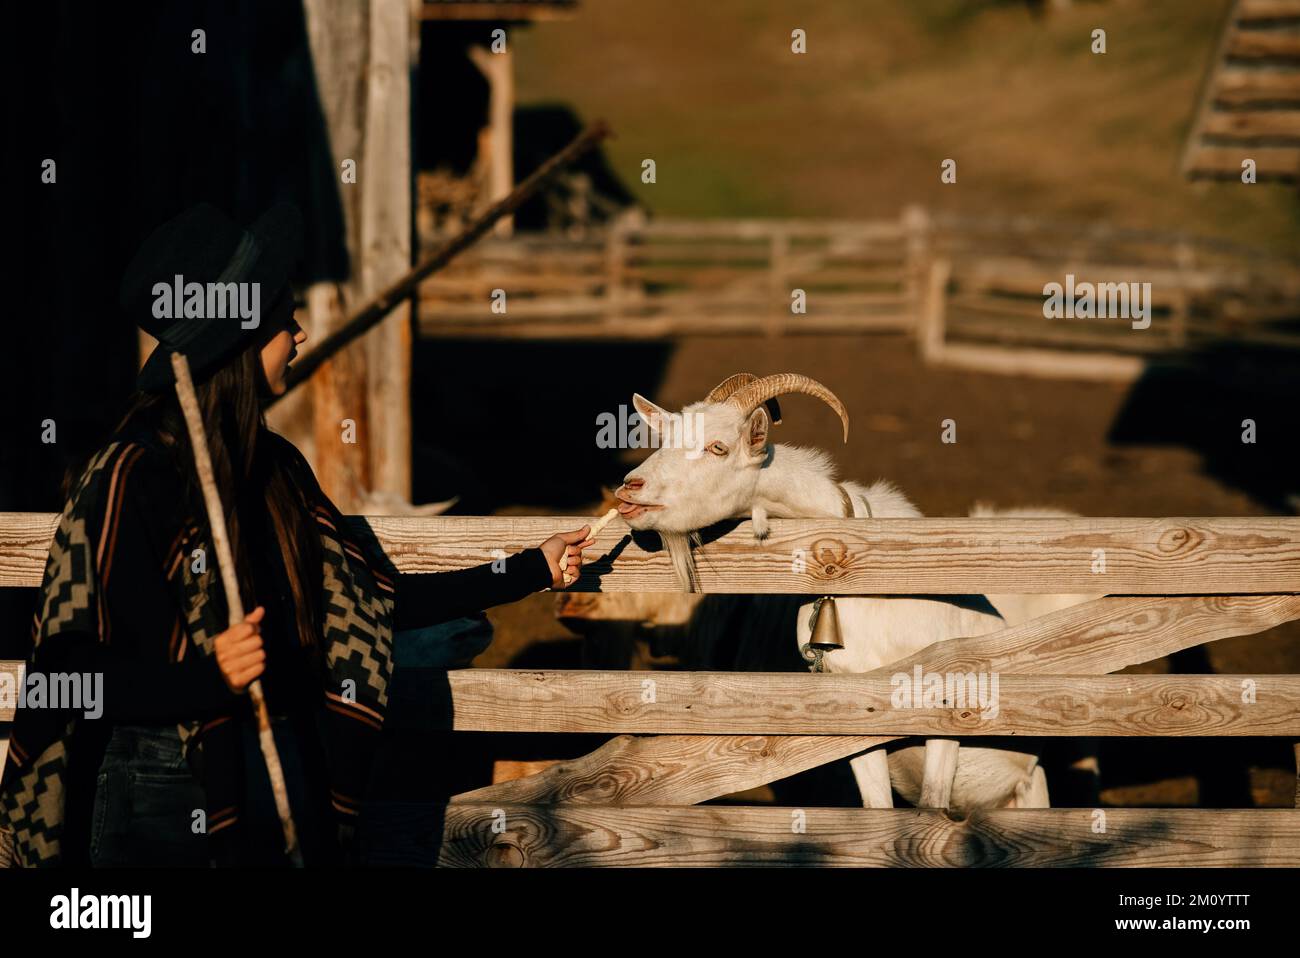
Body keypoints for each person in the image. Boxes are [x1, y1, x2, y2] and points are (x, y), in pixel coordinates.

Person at [0, 203, 592, 867]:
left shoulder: (274, 468)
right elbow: (66, 671)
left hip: (276, 767)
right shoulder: (132, 474)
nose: (302, 336)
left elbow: (372, 600)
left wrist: (529, 570)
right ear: (239, 341)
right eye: (285, 323)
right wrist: (205, 677)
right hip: (159, 794)